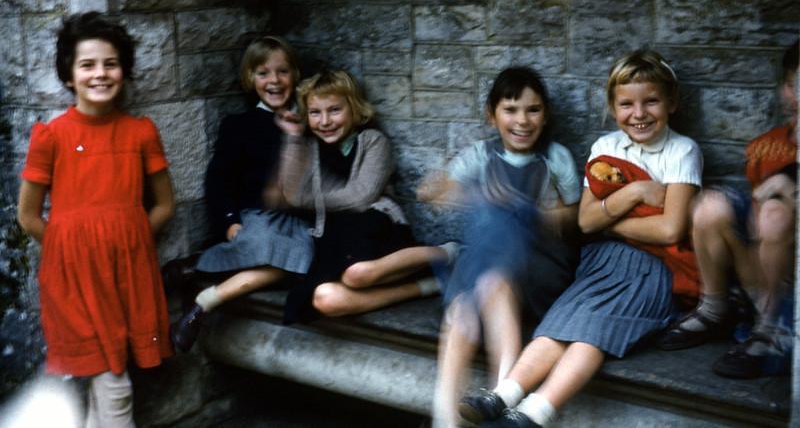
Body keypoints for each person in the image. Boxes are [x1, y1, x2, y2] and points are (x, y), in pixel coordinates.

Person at [459, 50, 703, 428]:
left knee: (593, 332)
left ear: (671, 102)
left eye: (651, 101)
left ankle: (534, 413)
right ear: (612, 107)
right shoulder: (606, 148)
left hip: (654, 270)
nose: (639, 113)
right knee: (560, 322)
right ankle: (502, 395)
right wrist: (635, 194)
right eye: (626, 104)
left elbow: (669, 230)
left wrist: (608, 221)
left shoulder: (681, 150)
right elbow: (587, 222)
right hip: (602, 261)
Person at [17, 11, 175, 427]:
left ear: (123, 70)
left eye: (110, 63)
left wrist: (131, 238)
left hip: (127, 274)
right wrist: (70, 249)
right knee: (115, 386)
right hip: (73, 279)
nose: (100, 74)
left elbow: (163, 205)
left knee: (101, 383)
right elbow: (28, 216)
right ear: (69, 76)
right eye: (87, 65)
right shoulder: (51, 136)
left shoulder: (139, 132)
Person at [417, 67, 582, 428]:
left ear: (546, 115)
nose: (522, 120)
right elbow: (438, 192)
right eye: (510, 110)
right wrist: (445, 189)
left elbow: (576, 219)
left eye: (533, 110)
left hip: (541, 267)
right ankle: (447, 418)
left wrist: (532, 212)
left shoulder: (555, 158)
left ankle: (500, 396)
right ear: (492, 116)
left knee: (498, 245)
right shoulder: (481, 155)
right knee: (465, 306)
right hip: (490, 270)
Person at [656, 40, 798, 379]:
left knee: (776, 215)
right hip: (763, 279)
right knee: (710, 205)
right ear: (784, 89)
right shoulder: (767, 146)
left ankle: (774, 332)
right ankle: (716, 309)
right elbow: (755, 229)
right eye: (796, 86)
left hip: (793, 295)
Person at [169, 36, 315, 353]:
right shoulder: (241, 125)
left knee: (299, 258)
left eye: (282, 72)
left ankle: (200, 286)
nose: (274, 81)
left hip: (301, 223)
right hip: (259, 217)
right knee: (270, 244)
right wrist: (229, 221)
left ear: (296, 74)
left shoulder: (311, 120)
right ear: (250, 78)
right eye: (263, 73)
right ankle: (199, 271)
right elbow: (219, 179)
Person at [273, 69, 452, 323]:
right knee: (324, 299)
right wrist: (292, 138)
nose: (325, 121)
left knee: (355, 274)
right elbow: (291, 194)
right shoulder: (309, 148)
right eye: (315, 112)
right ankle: (428, 286)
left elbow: (361, 197)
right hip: (333, 241)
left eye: (334, 110)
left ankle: (450, 252)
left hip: (374, 229)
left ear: (354, 109)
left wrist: (311, 198)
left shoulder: (373, 141)